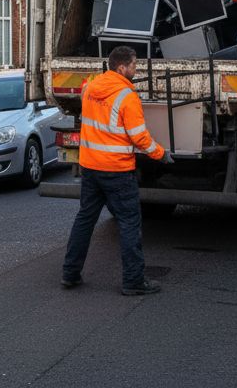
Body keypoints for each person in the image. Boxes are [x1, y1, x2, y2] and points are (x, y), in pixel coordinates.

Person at [61, 46, 173, 295]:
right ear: (122, 68)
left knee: (85, 219)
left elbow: (87, 104)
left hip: (90, 167)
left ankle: (70, 273)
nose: (136, 69)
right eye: (134, 65)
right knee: (129, 222)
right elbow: (139, 138)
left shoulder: (90, 88)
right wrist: (161, 154)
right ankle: (133, 281)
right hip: (117, 171)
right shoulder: (127, 96)